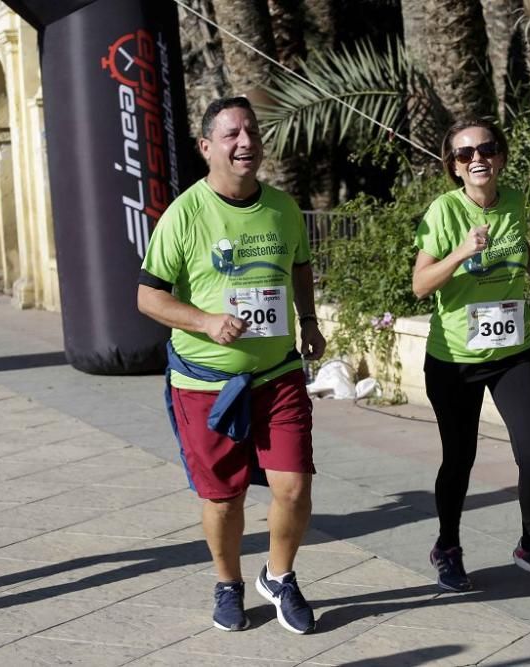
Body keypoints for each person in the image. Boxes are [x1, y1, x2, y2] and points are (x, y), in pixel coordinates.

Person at [137, 97, 326, 634]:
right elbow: (148, 298)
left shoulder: (283, 208)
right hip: (207, 385)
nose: (245, 143)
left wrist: (308, 319)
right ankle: (228, 582)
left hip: (278, 374)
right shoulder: (185, 214)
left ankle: (280, 575)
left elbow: (301, 264)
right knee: (225, 497)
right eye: (231, 135)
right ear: (206, 147)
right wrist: (204, 321)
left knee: (293, 487)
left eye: (252, 132)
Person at [412, 118, 530, 594]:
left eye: (486, 149)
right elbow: (420, 285)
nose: (476, 158)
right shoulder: (442, 212)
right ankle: (447, 547)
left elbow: (522, 244)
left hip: (513, 354)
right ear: (455, 168)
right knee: (459, 459)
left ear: (500, 157)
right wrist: (461, 252)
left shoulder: (515, 202)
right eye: (465, 154)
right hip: (455, 360)